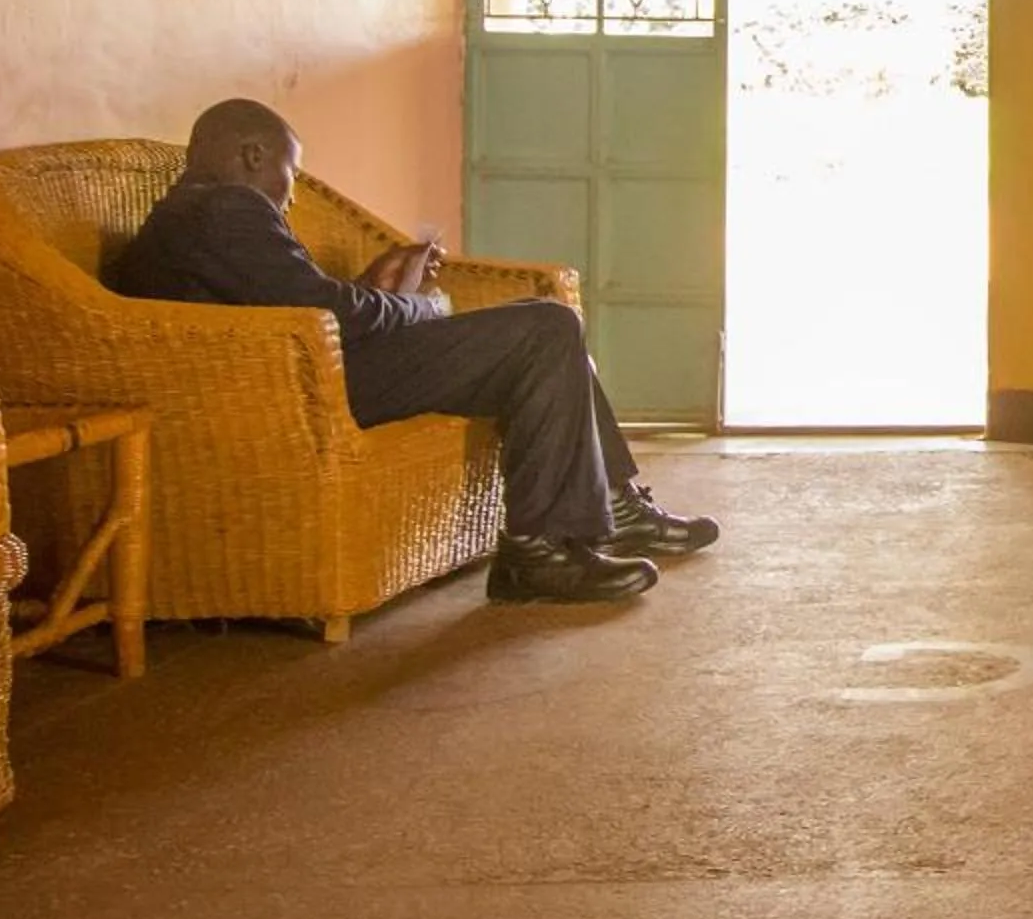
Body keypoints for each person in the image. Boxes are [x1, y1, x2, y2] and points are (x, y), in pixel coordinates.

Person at [105, 99, 718, 606]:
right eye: (289, 173)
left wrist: (373, 290)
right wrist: (420, 306)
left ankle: (613, 505)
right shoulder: (224, 208)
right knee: (547, 326)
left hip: (301, 376)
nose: (289, 196)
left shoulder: (186, 220)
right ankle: (538, 551)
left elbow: (306, 309)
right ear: (252, 155)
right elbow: (327, 313)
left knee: (552, 342)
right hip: (303, 391)